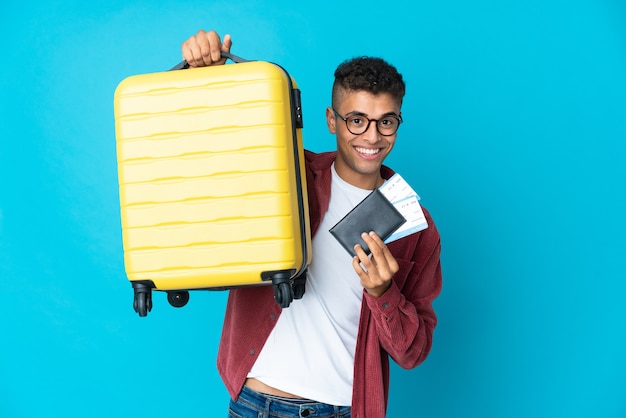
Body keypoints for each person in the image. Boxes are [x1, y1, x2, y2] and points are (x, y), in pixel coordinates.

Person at [181, 30, 442, 418]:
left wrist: (384, 292)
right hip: (258, 404)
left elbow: (413, 351)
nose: (372, 136)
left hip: (343, 410)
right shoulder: (287, 172)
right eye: (357, 120)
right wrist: (208, 74)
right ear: (331, 121)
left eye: (386, 121)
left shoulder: (415, 225)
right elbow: (220, 149)